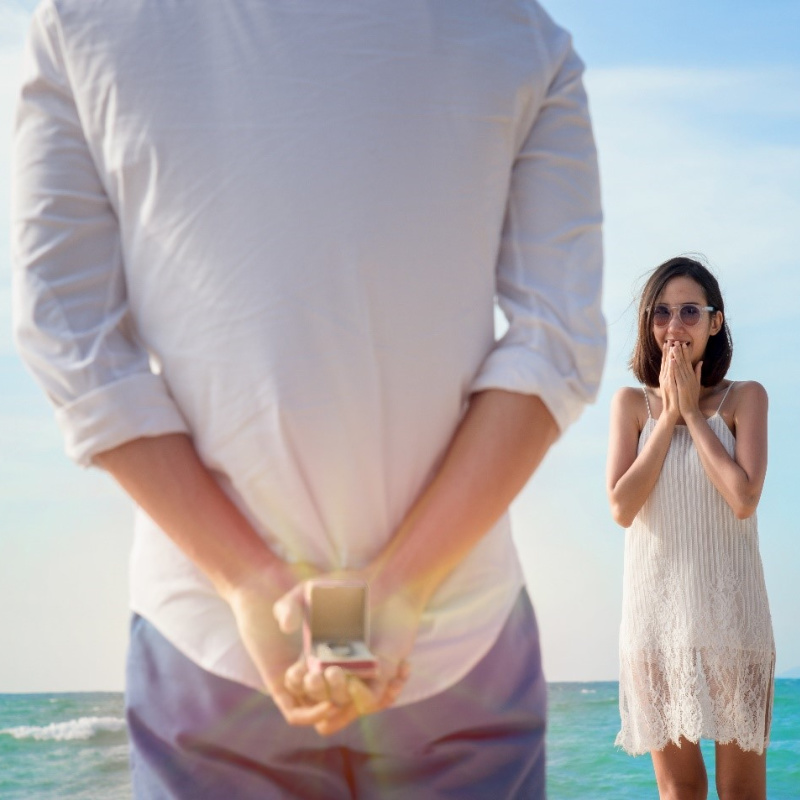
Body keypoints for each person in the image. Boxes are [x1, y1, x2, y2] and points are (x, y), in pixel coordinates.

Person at [12, 1, 605, 797]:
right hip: (457, 635)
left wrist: (250, 584)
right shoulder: (519, 32)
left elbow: (68, 332)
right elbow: (557, 341)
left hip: (210, 639)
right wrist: (402, 588)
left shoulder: (79, 21)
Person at [607, 256, 774, 800]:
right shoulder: (631, 405)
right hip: (656, 618)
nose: (674, 326)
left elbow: (743, 498)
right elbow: (621, 507)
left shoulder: (745, 398)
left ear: (715, 321)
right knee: (681, 791)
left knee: (741, 791)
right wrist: (668, 417)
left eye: (688, 312)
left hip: (734, 613)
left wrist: (694, 415)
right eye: (661, 312)